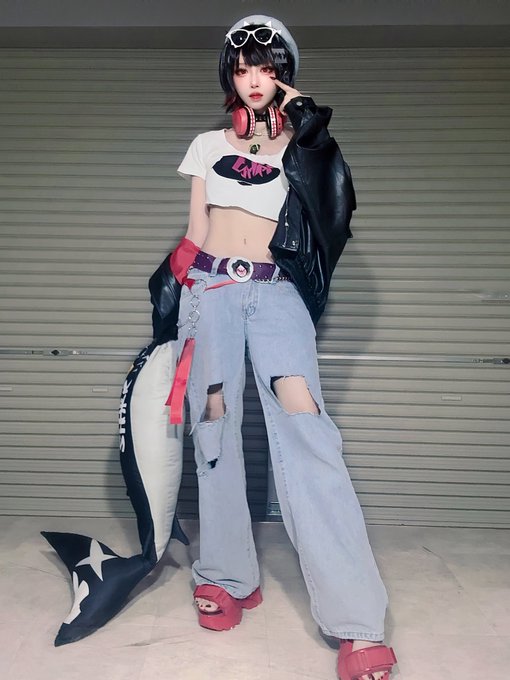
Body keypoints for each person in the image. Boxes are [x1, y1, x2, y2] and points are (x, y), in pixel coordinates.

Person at [171, 14, 398, 680]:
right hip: (209, 290)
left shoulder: (306, 147)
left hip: (276, 294)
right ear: (230, 75)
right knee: (212, 425)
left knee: (306, 428)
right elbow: (195, 231)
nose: (253, 80)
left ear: (284, 75)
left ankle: (356, 620)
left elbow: (334, 206)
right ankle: (227, 575)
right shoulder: (206, 145)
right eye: (242, 68)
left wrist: (305, 120)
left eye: (266, 68)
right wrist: (178, 305)